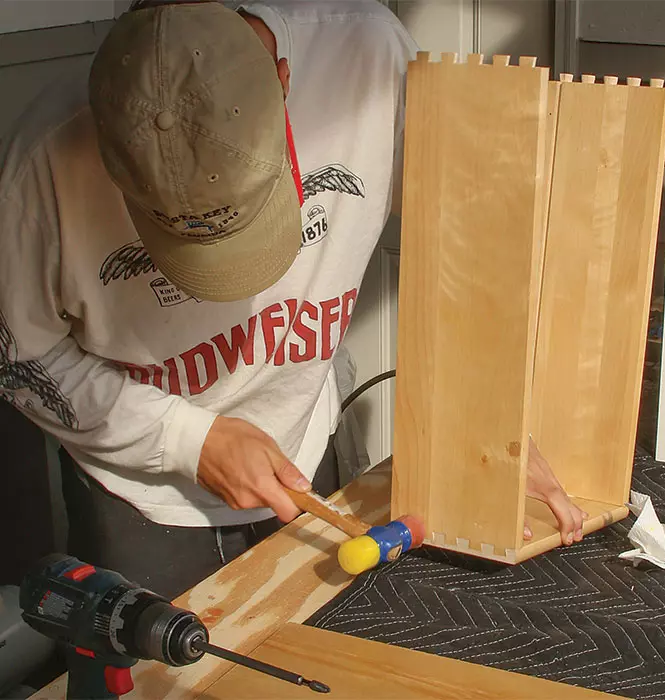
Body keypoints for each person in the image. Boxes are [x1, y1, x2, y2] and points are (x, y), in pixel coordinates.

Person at [0, 0, 584, 601]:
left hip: (307, 444)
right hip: (138, 496)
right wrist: (185, 439)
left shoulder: (366, 59)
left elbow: (458, 234)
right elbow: (23, 360)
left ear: (284, 81)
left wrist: (483, 423)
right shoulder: (40, 163)